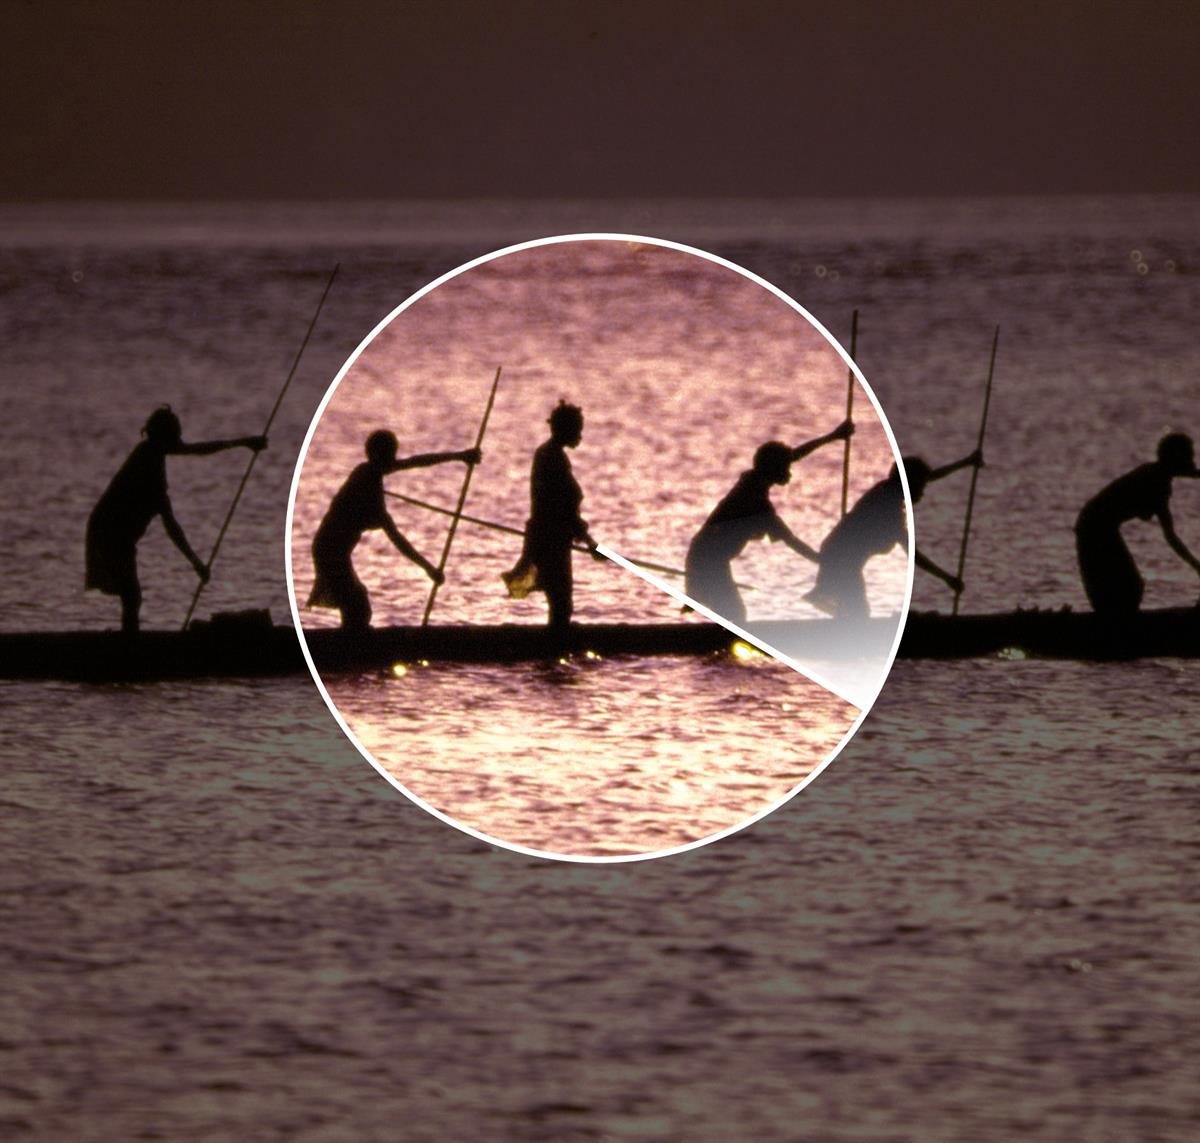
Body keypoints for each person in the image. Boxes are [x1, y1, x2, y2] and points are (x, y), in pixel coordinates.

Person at [85, 405, 266, 633]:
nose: (179, 441)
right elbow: (172, 527)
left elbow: (195, 450)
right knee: (131, 594)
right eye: (175, 435)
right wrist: (196, 564)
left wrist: (243, 443)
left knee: (131, 595)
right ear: (163, 436)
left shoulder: (154, 454)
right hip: (107, 532)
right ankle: (128, 648)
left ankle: (129, 641)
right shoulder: (146, 458)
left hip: (119, 536)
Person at [684, 421, 852, 626]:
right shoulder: (758, 505)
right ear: (774, 469)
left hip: (707, 558)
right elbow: (792, 541)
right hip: (706, 561)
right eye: (786, 468)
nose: (790, 472)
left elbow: (794, 455)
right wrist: (822, 560)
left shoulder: (754, 479)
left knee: (731, 614)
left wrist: (833, 436)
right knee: (735, 616)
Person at [308, 431, 480, 630]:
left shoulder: (371, 470)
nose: (394, 459)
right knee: (357, 608)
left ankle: (350, 643)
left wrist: (459, 456)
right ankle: (348, 649)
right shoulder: (366, 480)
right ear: (377, 454)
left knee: (358, 607)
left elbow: (416, 461)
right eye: (390, 454)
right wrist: (429, 569)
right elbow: (397, 539)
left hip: (334, 551)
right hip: (329, 551)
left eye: (394, 454)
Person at [804, 450, 982, 620]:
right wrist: (948, 579)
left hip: (840, 558)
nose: (923, 492)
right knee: (857, 614)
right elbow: (914, 556)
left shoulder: (887, 489)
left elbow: (930, 476)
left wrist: (965, 462)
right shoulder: (890, 510)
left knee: (854, 612)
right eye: (921, 487)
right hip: (839, 561)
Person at [1074, 432, 1200, 615]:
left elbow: (1186, 472)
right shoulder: (1154, 480)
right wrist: (1196, 565)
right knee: (1128, 587)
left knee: (1130, 588)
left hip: (1103, 528)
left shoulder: (1158, 476)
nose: (1192, 461)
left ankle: (1117, 623)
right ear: (1175, 457)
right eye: (1189, 455)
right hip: (1093, 527)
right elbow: (1171, 537)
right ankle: (1113, 627)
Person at [503, 401, 600, 630]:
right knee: (561, 601)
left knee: (560, 601)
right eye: (578, 429)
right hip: (550, 541)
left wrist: (586, 540)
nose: (580, 435)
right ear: (565, 430)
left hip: (551, 538)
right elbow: (561, 506)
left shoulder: (548, 454)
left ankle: (554, 647)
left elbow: (564, 506)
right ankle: (555, 649)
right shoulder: (552, 458)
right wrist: (589, 542)